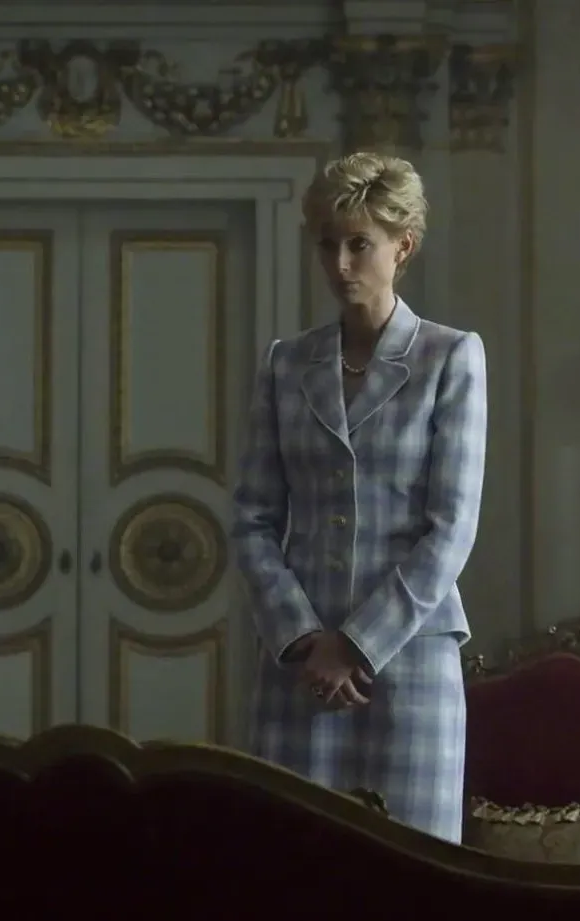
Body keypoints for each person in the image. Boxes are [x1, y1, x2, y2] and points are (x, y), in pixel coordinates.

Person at [231, 152, 487, 842]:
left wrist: (357, 644)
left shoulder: (449, 357)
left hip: (408, 664)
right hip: (301, 670)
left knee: (413, 876)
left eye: (359, 244)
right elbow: (252, 518)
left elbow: (451, 528)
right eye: (327, 244)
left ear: (403, 247)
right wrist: (305, 639)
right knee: (290, 867)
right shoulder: (287, 363)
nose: (340, 264)